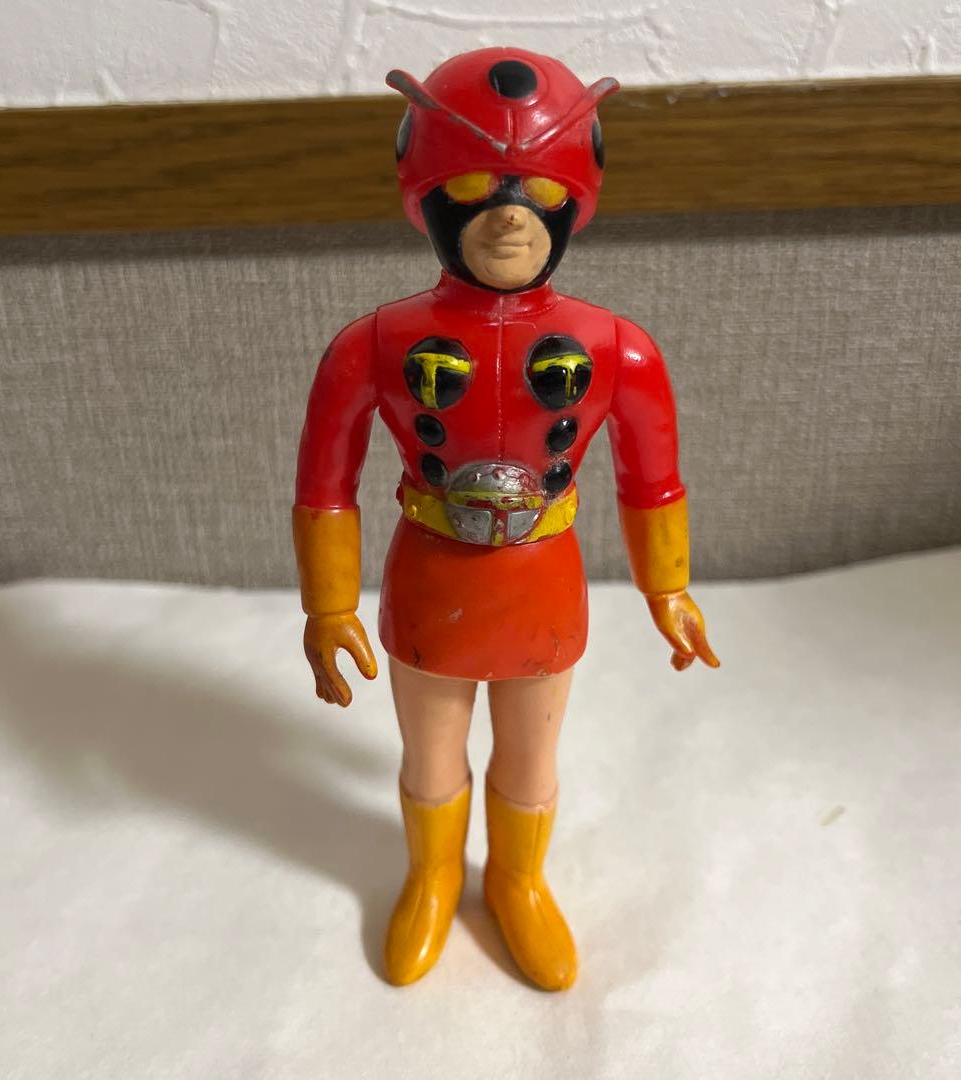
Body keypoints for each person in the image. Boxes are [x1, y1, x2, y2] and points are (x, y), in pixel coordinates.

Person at [292, 47, 718, 991]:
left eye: (539, 191)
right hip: (431, 576)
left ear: (578, 200)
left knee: (530, 756)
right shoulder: (373, 346)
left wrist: (670, 588)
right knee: (431, 751)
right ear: (426, 197)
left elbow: (653, 483)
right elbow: (325, 487)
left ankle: (517, 879)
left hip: (542, 582)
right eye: (475, 189)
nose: (511, 216)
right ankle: (434, 873)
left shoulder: (619, 349)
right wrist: (328, 605)